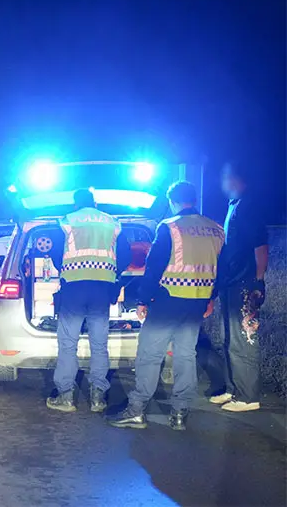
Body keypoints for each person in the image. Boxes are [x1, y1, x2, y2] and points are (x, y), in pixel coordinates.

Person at [106, 181, 224, 430]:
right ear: (194, 199)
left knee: (150, 355)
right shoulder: (216, 229)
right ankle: (180, 413)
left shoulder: (170, 227)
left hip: (168, 299)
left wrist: (143, 299)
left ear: (172, 202)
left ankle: (137, 410)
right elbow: (221, 268)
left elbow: (154, 266)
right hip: (197, 302)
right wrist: (211, 298)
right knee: (186, 355)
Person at [46, 188, 131, 413]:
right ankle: (98, 398)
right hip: (102, 289)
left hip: (73, 287)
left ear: (76, 204)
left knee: (68, 343)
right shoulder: (112, 222)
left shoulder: (67, 221)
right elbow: (126, 255)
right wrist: (111, 273)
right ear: (95, 203)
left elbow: (55, 253)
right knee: (99, 344)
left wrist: (67, 269)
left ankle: (66, 397)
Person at [210, 161, 269, 412]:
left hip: (245, 284)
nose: (222, 183)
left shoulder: (249, 207)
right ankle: (233, 389)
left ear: (236, 179)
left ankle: (248, 397)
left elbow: (261, 246)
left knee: (245, 339)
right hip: (230, 283)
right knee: (230, 339)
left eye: (225, 177)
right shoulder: (234, 205)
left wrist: (257, 281)